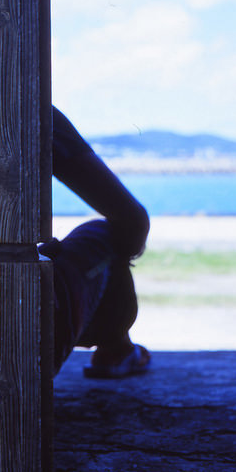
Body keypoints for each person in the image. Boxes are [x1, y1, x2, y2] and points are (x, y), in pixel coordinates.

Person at [41, 107, 152, 378]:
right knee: (103, 234)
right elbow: (132, 220)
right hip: (32, 340)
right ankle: (116, 348)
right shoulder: (27, 100)